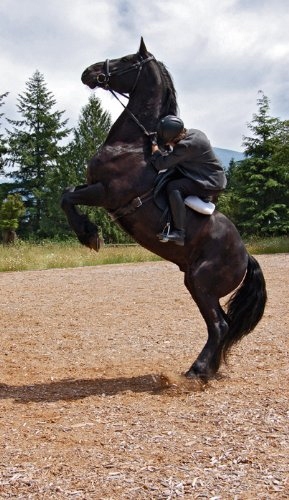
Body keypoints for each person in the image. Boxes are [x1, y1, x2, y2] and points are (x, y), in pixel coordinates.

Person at [150, 115, 227, 246]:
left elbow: (160, 164)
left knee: (174, 186)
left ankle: (180, 233)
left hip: (210, 182)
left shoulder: (186, 146)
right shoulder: (194, 133)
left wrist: (155, 148)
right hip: (206, 174)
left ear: (173, 138)